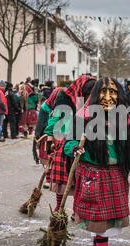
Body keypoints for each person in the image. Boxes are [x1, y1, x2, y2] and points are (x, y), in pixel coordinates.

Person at [64, 77, 130, 246]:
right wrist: (74, 148)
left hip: (116, 175)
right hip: (92, 175)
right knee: (99, 224)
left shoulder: (122, 118)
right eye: (103, 92)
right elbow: (68, 143)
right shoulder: (83, 116)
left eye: (112, 92)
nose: (108, 97)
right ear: (96, 95)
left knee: (105, 224)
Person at [44, 75, 95, 213]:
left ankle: (76, 208)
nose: (89, 97)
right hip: (64, 137)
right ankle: (59, 206)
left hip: (85, 138)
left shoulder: (94, 100)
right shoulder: (64, 97)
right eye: (87, 94)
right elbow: (55, 118)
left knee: (80, 177)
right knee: (62, 177)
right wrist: (49, 138)